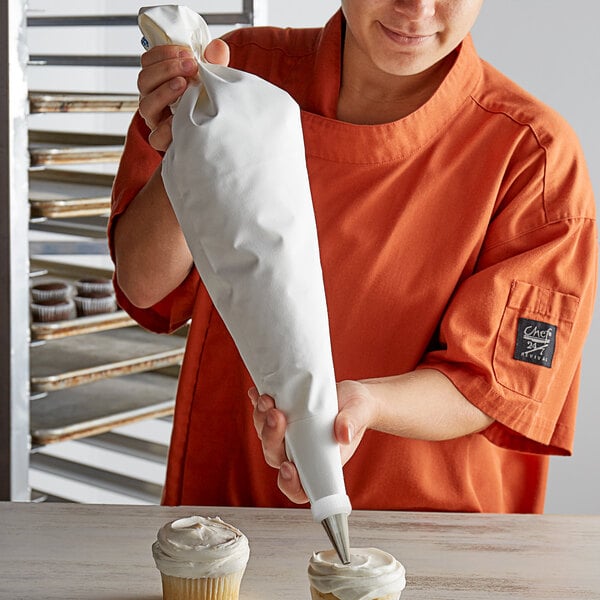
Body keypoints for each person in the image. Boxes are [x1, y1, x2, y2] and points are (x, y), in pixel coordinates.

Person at [110, 0, 597, 513]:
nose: (417, 7)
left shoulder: (534, 159)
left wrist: (363, 407)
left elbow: (494, 382)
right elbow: (145, 285)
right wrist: (189, 150)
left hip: (432, 536)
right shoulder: (239, 73)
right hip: (230, 518)